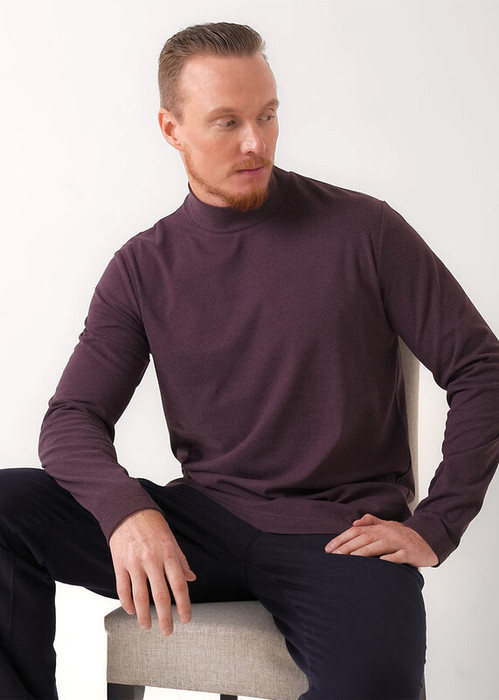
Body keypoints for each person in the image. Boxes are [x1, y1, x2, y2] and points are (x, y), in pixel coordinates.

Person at [0, 21, 498, 700]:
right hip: (202, 527)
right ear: (172, 129)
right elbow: (72, 420)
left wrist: (437, 523)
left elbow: (480, 368)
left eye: (267, 115)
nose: (255, 143)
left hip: (339, 535)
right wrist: (126, 511)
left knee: (375, 688)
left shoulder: (365, 230)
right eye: (227, 121)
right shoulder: (143, 267)